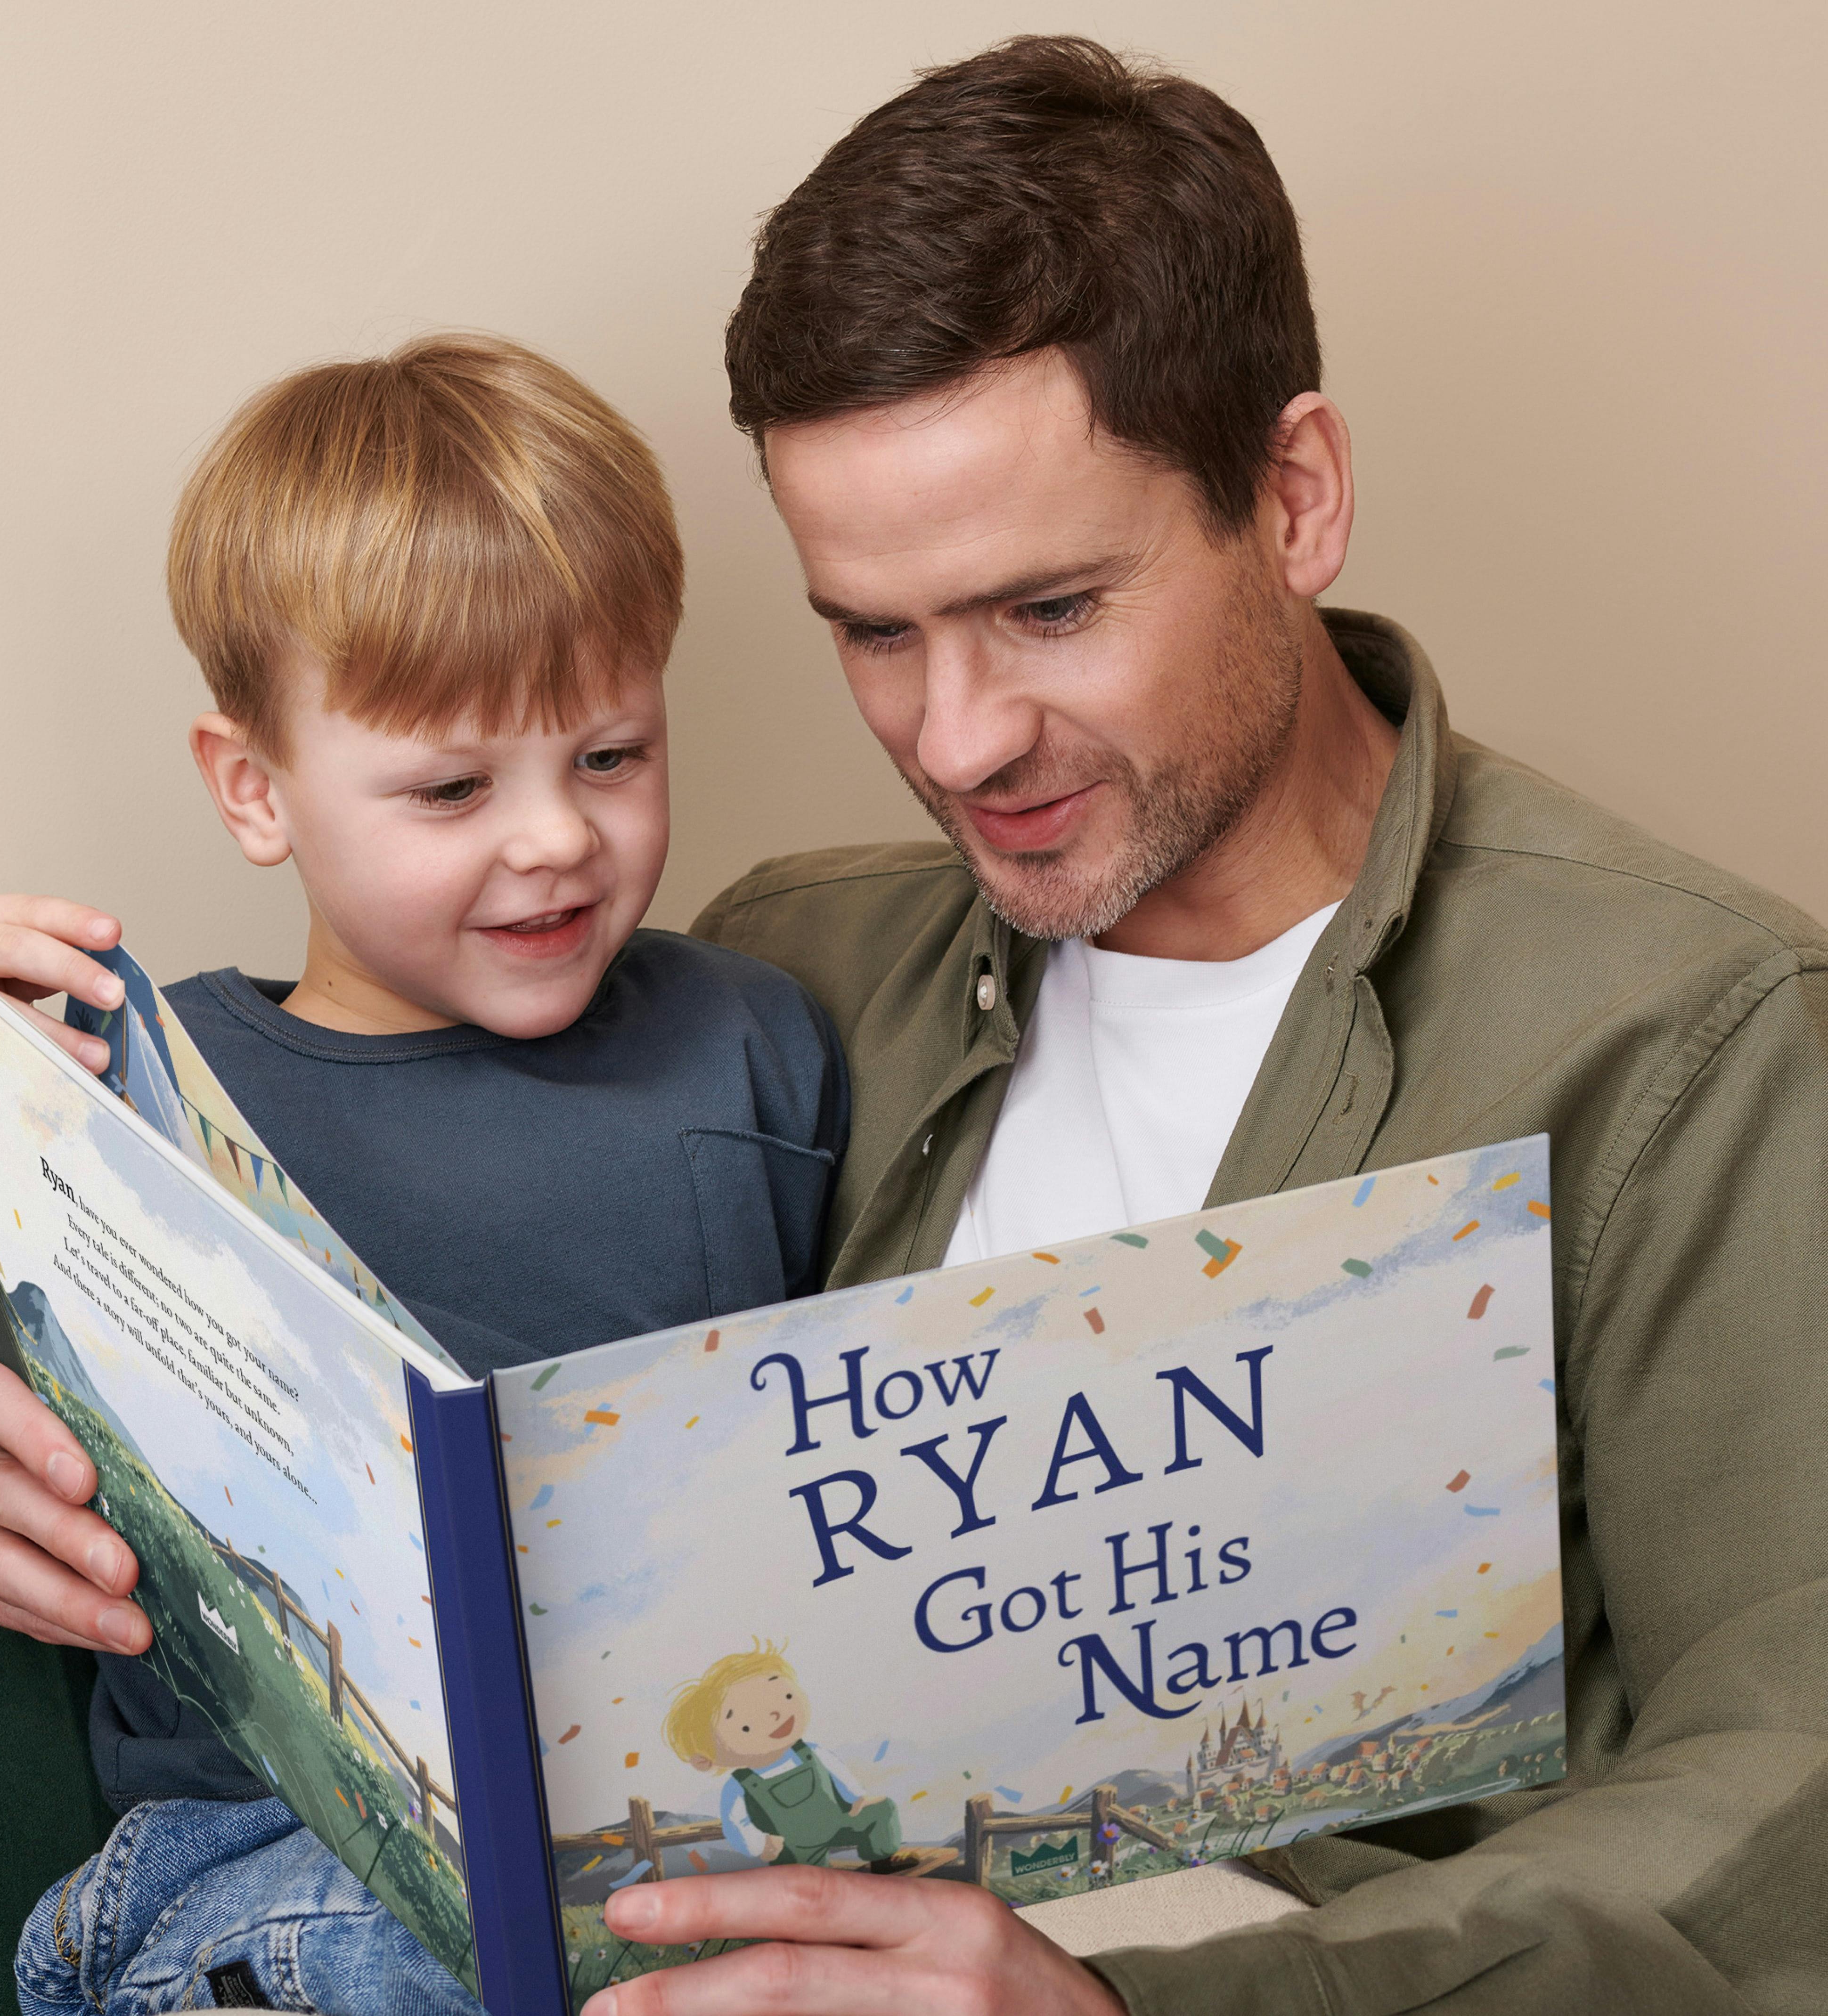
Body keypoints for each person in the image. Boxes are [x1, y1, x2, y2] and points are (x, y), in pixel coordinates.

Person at [582, 34, 1828, 2016]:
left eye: (1050, 608)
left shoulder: (1690, 1031)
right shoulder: (782, 969)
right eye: (873, 631)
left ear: (1295, 494)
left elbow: (1791, 1805)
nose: (956, 738)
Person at [0, 333, 848, 2012]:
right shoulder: (148, 1085)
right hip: (266, 1865)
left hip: (676, 1842)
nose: (556, 834)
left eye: (613, 755)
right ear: (254, 790)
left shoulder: (755, 1043)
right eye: (453, 786)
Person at [665, 1642, 909, 1872]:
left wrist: (857, 1798)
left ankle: (881, 1860)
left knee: (882, 1810)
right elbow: (737, 1824)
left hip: (837, 1822)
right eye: (747, 1726)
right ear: (706, 1759)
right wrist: (761, 1845)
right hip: (791, 1846)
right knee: (808, 1879)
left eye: (787, 1698)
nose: (776, 1715)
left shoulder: (812, 1752)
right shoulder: (738, 1787)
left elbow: (839, 1774)